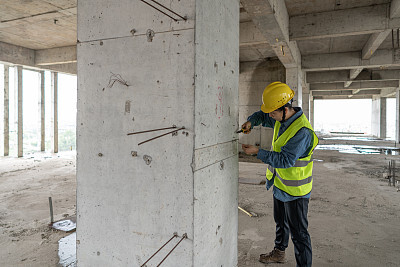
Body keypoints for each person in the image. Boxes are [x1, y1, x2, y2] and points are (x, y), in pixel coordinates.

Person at [241, 82, 318, 267]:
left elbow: (285, 160)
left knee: (299, 234)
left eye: (273, 112)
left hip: (296, 191)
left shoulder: (302, 132)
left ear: (285, 109)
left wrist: (257, 152)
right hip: (281, 185)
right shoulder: (281, 119)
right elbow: (262, 115)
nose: (270, 116)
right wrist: (251, 121)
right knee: (281, 223)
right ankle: (279, 252)